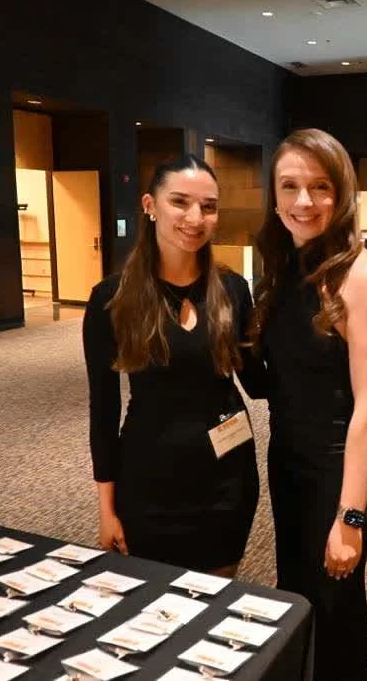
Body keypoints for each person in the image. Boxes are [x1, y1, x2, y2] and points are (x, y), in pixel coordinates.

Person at [251, 128, 367, 680]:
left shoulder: (362, 275)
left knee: (335, 606)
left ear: (342, 194)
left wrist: (350, 518)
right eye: (290, 186)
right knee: (299, 596)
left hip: (342, 468)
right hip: (289, 460)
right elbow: (276, 382)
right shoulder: (286, 269)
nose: (304, 201)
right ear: (274, 196)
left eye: (319, 186)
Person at [82, 155, 265, 577]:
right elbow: (104, 412)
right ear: (150, 205)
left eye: (209, 206)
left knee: (216, 601)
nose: (195, 218)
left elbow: (259, 380)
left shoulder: (233, 290)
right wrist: (106, 508)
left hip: (227, 480)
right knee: (151, 607)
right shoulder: (113, 299)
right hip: (149, 480)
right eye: (180, 202)